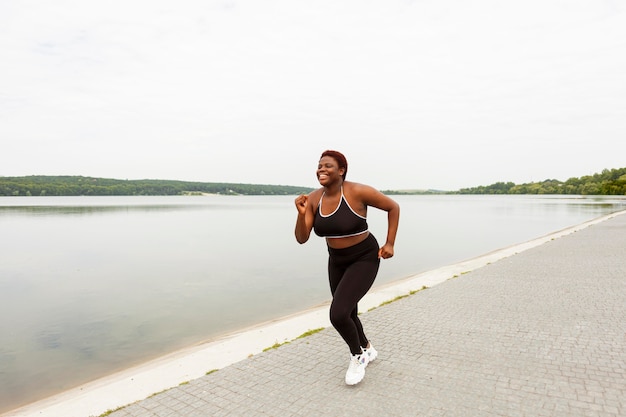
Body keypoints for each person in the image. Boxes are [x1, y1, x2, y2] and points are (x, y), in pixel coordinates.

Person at [294, 150, 400, 385]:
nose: (321, 169)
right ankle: (367, 348)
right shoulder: (312, 199)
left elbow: (393, 207)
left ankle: (357, 356)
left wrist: (390, 242)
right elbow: (302, 238)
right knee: (349, 311)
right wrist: (301, 215)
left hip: (364, 256)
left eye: (328, 166)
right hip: (336, 259)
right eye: (319, 165)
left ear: (341, 170)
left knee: (338, 313)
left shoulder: (358, 192)